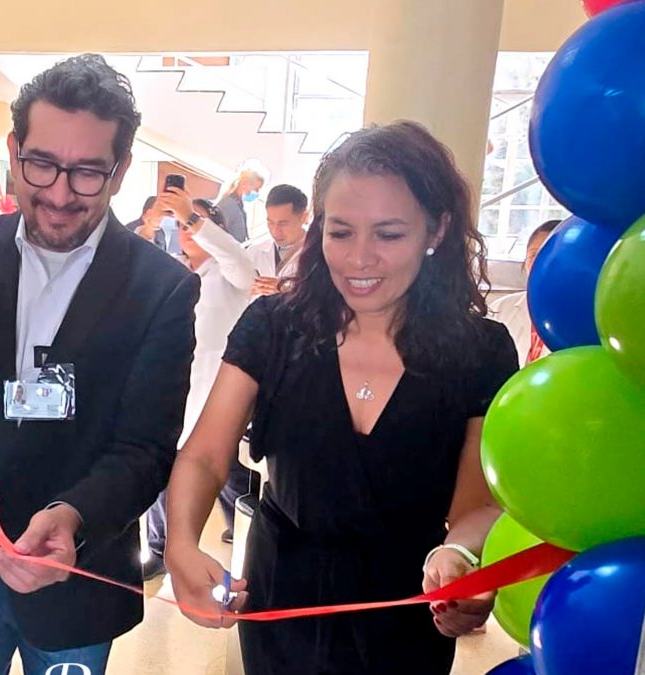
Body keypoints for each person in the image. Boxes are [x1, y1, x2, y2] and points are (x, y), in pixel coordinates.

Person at [0, 54, 199, 675]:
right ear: (14, 149)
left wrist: (74, 517)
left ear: (122, 170)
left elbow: (145, 446)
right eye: (41, 164)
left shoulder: (162, 287)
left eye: (87, 174)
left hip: (75, 571)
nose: (58, 194)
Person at [163, 121, 519, 674]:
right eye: (341, 231)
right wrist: (181, 544)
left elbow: (473, 506)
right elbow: (207, 453)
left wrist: (460, 560)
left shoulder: (481, 350)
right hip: (283, 596)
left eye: (389, 234)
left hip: (405, 609)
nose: (359, 259)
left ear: (437, 230)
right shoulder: (274, 327)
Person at [142, 191, 258, 579]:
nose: (186, 230)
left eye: (191, 223)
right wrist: (150, 224)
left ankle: (246, 533)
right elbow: (126, 267)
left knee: (226, 472)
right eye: (180, 224)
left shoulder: (231, 275)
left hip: (216, 395)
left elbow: (240, 263)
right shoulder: (171, 271)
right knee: (164, 469)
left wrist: (193, 216)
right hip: (171, 391)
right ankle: (158, 548)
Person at [489, 219, 560, 367]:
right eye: (534, 255)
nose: (540, 263)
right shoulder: (500, 309)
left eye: (549, 254)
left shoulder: (581, 319)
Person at [247, 183, 310, 296]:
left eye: (283, 224)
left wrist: (286, 290)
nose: (275, 231)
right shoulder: (255, 251)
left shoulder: (321, 254)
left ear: (304, 217)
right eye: (270, 223)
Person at [215, 158, 270, 244]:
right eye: (256, 189)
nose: (257, 193)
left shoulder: (239, 206)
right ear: (244, 183)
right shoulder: (229, 204)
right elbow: (215, 231)